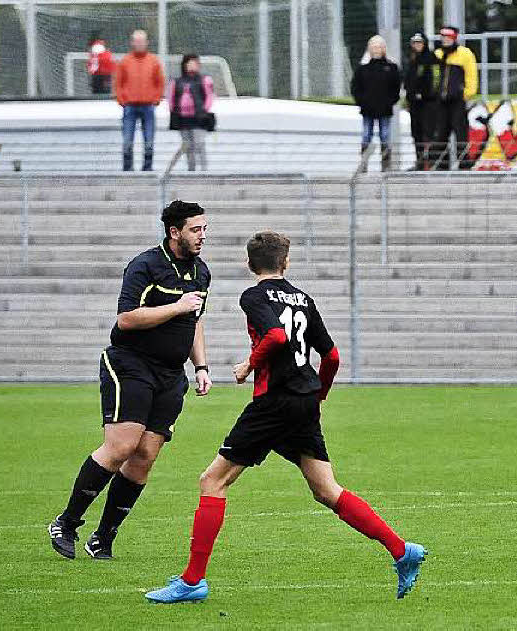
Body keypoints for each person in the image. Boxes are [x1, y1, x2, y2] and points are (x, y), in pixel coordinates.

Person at [144, 231, 425, 603]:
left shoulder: (253, 296)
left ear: (250, 264)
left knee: (212, 481)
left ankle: (193, 581)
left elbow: (275, 336)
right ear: (286, 262)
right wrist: (319, 395)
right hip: (304, 400)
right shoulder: (304, 299)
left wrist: (247, 365)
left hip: (274, 403)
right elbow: (333, 356)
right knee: (326, 490)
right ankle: (401, 550)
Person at [48, 201, 212, 560]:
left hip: (171, 375)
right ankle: (67, 522)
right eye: (195, 229)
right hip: (130, 364)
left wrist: (201, 366)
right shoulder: (145, 265)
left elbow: (195, 321)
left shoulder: (201, 272)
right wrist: (177, 306)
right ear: (174, 232)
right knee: (121, 447)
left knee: (144, 456)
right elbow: (126, 318)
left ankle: (103, 538)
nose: (203, 235)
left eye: (204, 228)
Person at [114, 29, 165, 171]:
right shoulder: (125, 61)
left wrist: (156, 99)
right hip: (129, 106)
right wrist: (121, 100)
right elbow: (118, 82)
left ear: (147, 43)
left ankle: (147, 169)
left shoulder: (154, 61)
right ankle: (127, 170)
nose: (139, 44)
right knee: (127, 142)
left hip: (148, 106)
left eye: (141, 41)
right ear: (132, 43)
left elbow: (160, 82)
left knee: (149, 141)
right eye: (136, 41)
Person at [350, 35, 401, 172]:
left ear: (383, 49)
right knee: (366, 135)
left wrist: (391, 101)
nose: (376, 49)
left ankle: (386, 165)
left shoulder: (391, 67)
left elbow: (396, 87)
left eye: (379, 46)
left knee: (385, 136)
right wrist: (361, 101)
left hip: (385, 108)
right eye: (374, 47)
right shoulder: (363, 68)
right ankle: (364, 164)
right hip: (367, 109)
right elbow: (355, 87)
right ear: (369, 49)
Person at [433, 26, 478, 170]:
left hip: (457, 100)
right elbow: (434, 76)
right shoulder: (438, 54)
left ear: (454, 38)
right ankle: (442, 163)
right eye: (443, 37)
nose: (445, 40)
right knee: (441, 132)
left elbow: (471, 75)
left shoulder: (465, 54)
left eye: (448, 37)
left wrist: (466, 93)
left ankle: (464, 163)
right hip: (441, 101)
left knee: (460, 132)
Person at [167, 54, 215, 172]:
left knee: (199, 144)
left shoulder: (204, 80)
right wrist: (174, 111)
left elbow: (209, 96)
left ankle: (204, 170)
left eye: (194, 63)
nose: (191, 66)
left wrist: (204, 110)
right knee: (187, 146)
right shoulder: (176, 82)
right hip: (183, 118)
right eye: (189, 63)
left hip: (199, 118)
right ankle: (191, 170)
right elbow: (171, 98)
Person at [403, 32, 438, 170]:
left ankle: (429, 163)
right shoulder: (411, 59)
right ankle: (419, 162)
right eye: (415, 43)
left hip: (428, 104)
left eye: (420, 42)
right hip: (414, 104)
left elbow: (435, 80)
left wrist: (428, 95)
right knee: (416, 132)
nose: (417, 45)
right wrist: (408, 99)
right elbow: (408, 81)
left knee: (427, 133)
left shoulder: (431, 58)